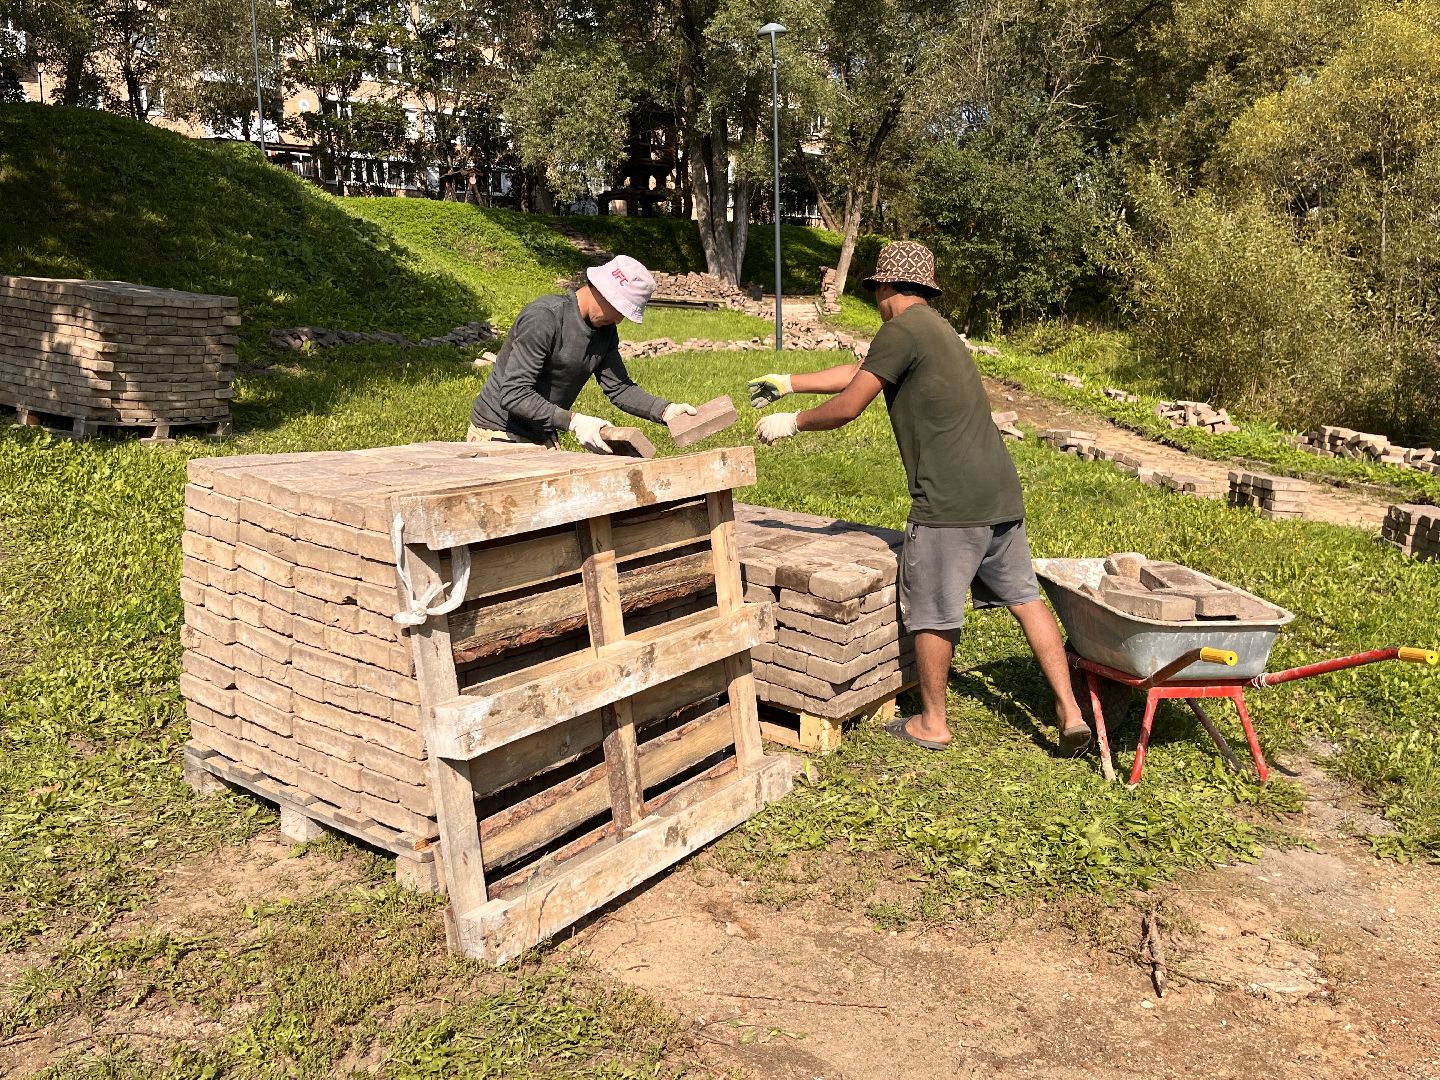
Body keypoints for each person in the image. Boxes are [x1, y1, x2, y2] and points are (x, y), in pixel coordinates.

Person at [749, 240, 1090, 754]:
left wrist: (791, 422)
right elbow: (862, 371)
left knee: (933, 611)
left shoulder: (901, 328)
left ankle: (932, 722)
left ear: (884, 287)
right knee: (1025, 599)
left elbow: (849, 404)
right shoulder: (936, 329)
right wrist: (789, 382)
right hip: (1000, 494)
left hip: (949, 505)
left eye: (876, 293)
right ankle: (1070, 711)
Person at [469, 254, 696, 451]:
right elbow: (514, 393)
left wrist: (665, 411)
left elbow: (619, 387)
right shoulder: (545, 318)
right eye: (619, 308)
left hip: (540, 434)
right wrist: (573, 421)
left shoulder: (605, 331)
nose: (618, 319)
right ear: (600, 289)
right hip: (497, 433)